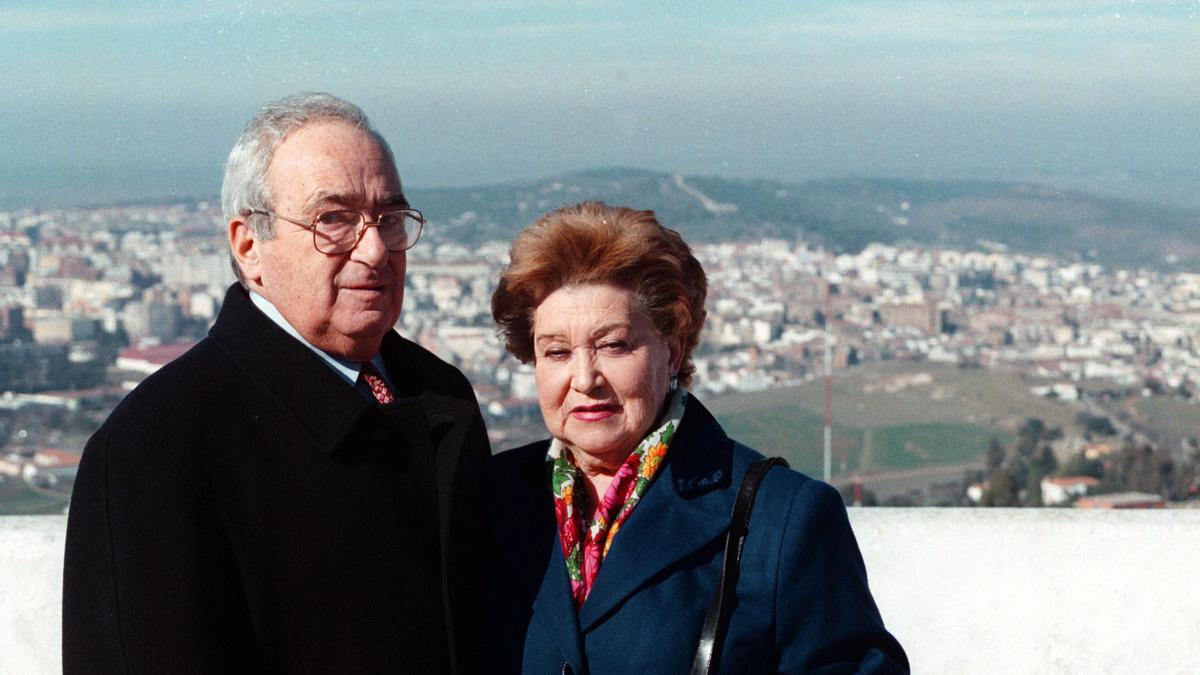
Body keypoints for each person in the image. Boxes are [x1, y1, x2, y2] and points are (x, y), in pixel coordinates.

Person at [62, 93, 489, 673]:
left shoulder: (440, 393)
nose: (376, 249)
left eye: (389, 219)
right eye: (333, 220)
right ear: (248, 246)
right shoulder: (153, 449)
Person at [487, 202, 908, 674]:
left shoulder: (783, 519)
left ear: (672, 350)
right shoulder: (491, 499)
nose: (585, 378)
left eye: (614, 345)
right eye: (558, 352)